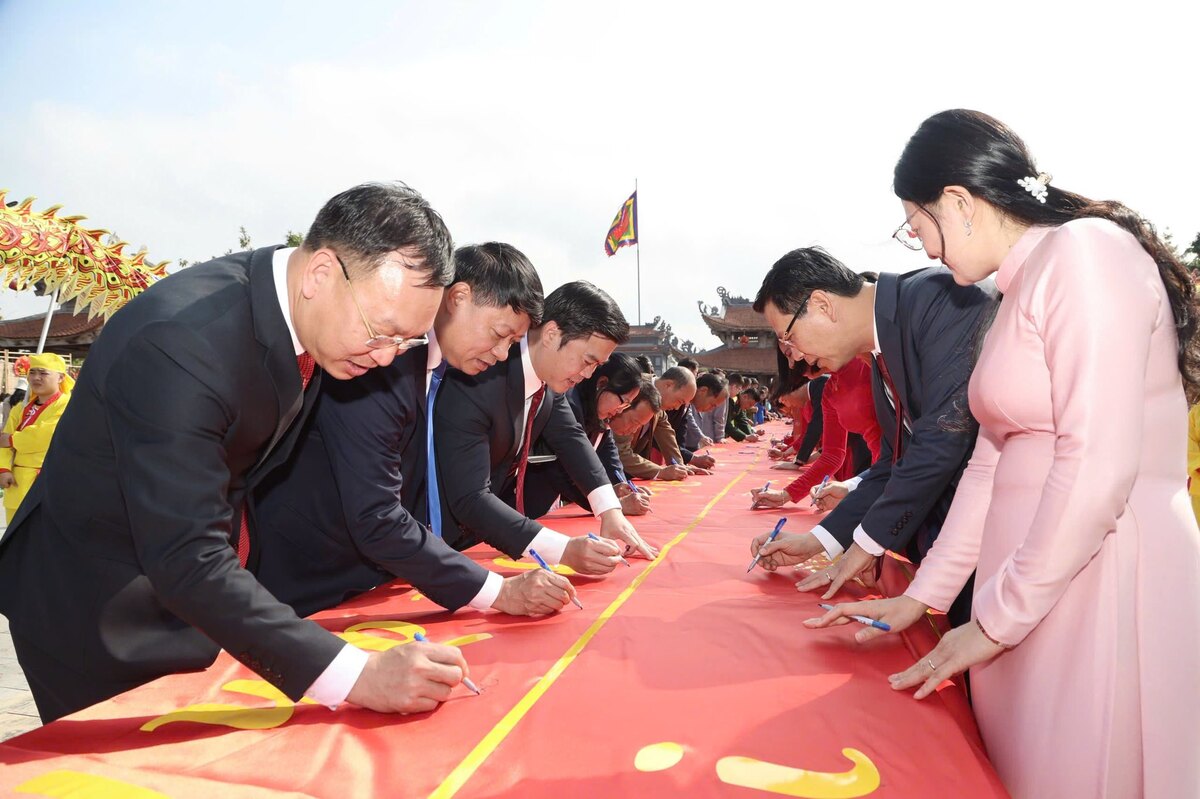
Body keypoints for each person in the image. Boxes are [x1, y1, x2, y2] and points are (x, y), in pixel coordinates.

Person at [812, 110, 1200, 799]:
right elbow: (990, 466)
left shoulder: (1086, 255)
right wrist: (926, 597)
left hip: (1098, 575)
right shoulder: (1018, 286)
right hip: (1027, 592)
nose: (923, 248)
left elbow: (1096, 464)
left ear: (958, 202)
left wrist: (994, 617)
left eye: (917, 222)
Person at [0, 182, 474, 723]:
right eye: (381, 332)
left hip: (193, 597)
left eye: (407, 342)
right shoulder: (182, 343)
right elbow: (186, 554)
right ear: (321, 273)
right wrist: (358, 674)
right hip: (97, 609)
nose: (389, 357)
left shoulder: (304, 318)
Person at [252, 242, 578, 619]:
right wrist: (498, 592)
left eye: (512, 343)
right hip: (303, 580)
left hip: (375, 577)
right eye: (499, 333)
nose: (502, 354)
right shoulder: (383, 358)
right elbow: (376, 514)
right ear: (459, 297)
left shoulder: (439, 365)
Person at [748, 246, 994, 628]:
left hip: (1001, 539)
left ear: (821, 305)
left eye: (789, 339)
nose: (793, 358)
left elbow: (942, 439)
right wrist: (818, 541)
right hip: (957, 544)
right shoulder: (880, 353)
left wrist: (863, 546)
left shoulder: (937, 298)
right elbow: (892, 465)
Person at [432, 281, 656, 571]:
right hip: (430, 537)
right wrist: (563, 550)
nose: (588, 375)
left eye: (596, 366)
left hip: (472, 541)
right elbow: (470, 498)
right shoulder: (482, 372)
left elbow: (572, 439)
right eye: (587, 361)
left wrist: (610, 510)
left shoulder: (546, 387)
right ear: (551, 333)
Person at [526, 352, 651, 516]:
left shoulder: (597, 410)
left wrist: (619, 486)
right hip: (523, 499)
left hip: (547, 503)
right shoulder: (570, 404)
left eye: (627, 406)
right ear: (602, 383)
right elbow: (563, 469)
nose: (619, 410)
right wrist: (610, 505)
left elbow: (608, 454)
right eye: (623, 402)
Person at [752, 357, 881, 509]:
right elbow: (832, 455)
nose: (794, 359)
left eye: (791, 341)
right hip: (883, 471)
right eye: (787, 354)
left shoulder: (869, 364)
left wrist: (799, 461)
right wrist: (785, 495)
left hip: (886, 465)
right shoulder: (831, 388)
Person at [0, 353, 73, 523]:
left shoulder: (68, 404)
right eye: (32, 372)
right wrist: (4, 469)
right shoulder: (20, 407)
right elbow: (2, 442)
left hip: (49, 479)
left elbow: (45, 434)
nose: (36, 378)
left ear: (61, 377)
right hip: (16, 483)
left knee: (44, 538)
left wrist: (12, 440)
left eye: (43, 373)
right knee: (15, 540)